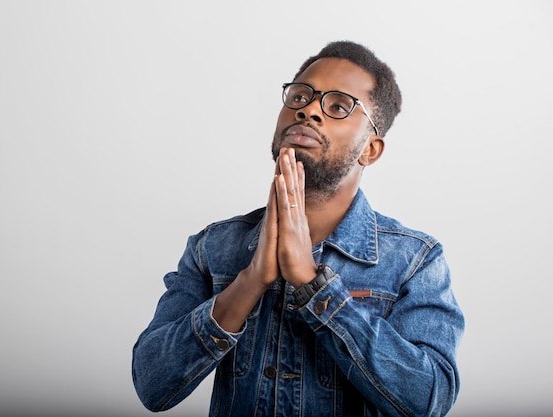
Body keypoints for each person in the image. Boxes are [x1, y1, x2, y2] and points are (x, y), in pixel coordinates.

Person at [132, 40, 465, 417]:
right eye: (300, 96)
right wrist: (248, 283)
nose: (307, 110)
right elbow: (151, 385)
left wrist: (312, 283)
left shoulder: (415, 260)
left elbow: (429, 400)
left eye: (338, 106)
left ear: (370, 149)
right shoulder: (213, 246)